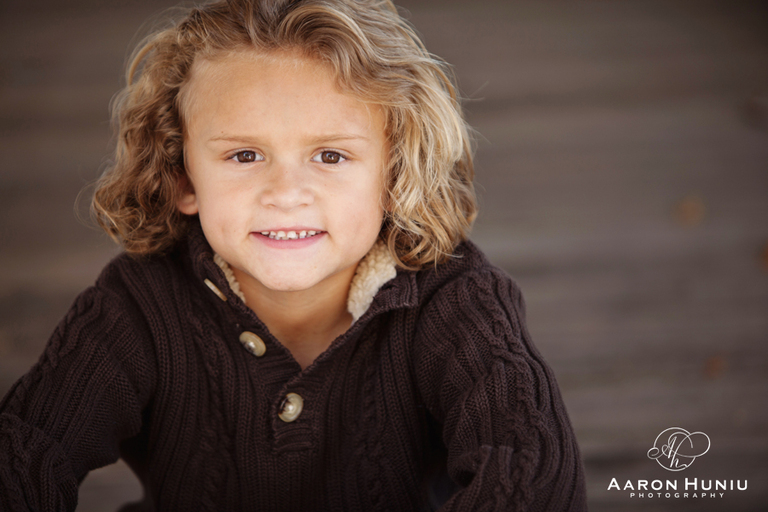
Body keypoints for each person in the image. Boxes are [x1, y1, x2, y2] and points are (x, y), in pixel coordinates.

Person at [0, 0, 587, 510]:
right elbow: (27, 450)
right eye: (244, 156)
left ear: (394, 175)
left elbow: (532, 471)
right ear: (182, 177)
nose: (285, 194)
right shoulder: (138, 304)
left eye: (330, 156)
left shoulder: (456, 299)